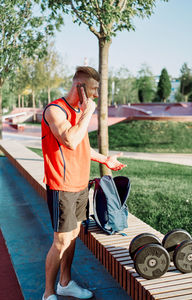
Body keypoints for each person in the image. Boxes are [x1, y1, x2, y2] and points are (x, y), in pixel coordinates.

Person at [41, 66, 126, 300]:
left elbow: (82, 147)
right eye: (94, 89)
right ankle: (48, 293)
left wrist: (105, 159)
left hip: (80, 185)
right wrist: (88, 113)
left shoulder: (78, 112)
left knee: (74, 233)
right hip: (62, 185)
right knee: (61, 240)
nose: (97, 95)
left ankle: (65, 283)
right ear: (80, 86)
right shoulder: (55, 110)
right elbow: (69, 140)